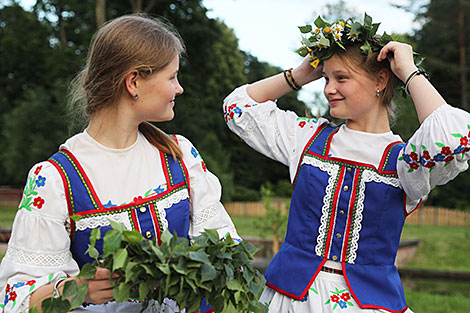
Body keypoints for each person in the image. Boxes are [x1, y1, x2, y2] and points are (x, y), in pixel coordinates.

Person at [223, 14, 470, 313]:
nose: (328, 88)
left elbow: (457, 137)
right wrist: (298, 75)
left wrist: (408, 71)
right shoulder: (307, 139)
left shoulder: (406, 162)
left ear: (380, 80)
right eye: (326, 78)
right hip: (291, 299)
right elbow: (238, 107)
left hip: (368, 305)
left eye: (341, 78)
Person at [0, 14, 240, 313]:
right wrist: (75, 290)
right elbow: (16, 299)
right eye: (172, 77)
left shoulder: (180, 155)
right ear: (134, 81)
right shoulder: (54, 180)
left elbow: (226, 251)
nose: (179, 88)